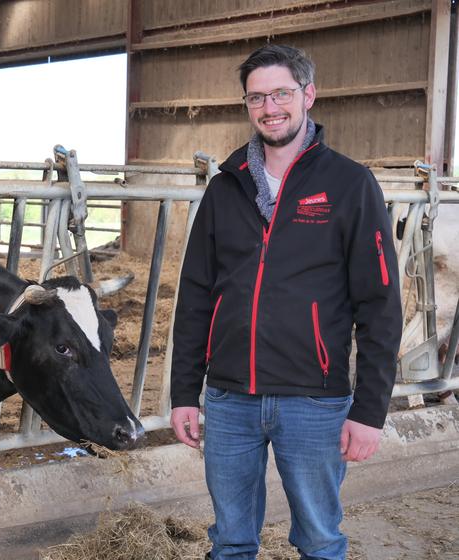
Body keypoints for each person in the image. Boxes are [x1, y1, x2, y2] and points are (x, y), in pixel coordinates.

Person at [169, 44, 402, 560]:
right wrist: (184, 392)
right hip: (229, 400)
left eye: (281, 93)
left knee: (319, 539)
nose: (270, 107)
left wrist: (370, 411)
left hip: (314, 401)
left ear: (308, 95)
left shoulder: (349, 184)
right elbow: (194, 298)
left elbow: (381, 304)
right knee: (230, 541)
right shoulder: (225, 188)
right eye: (257, 97)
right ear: (247, 105)